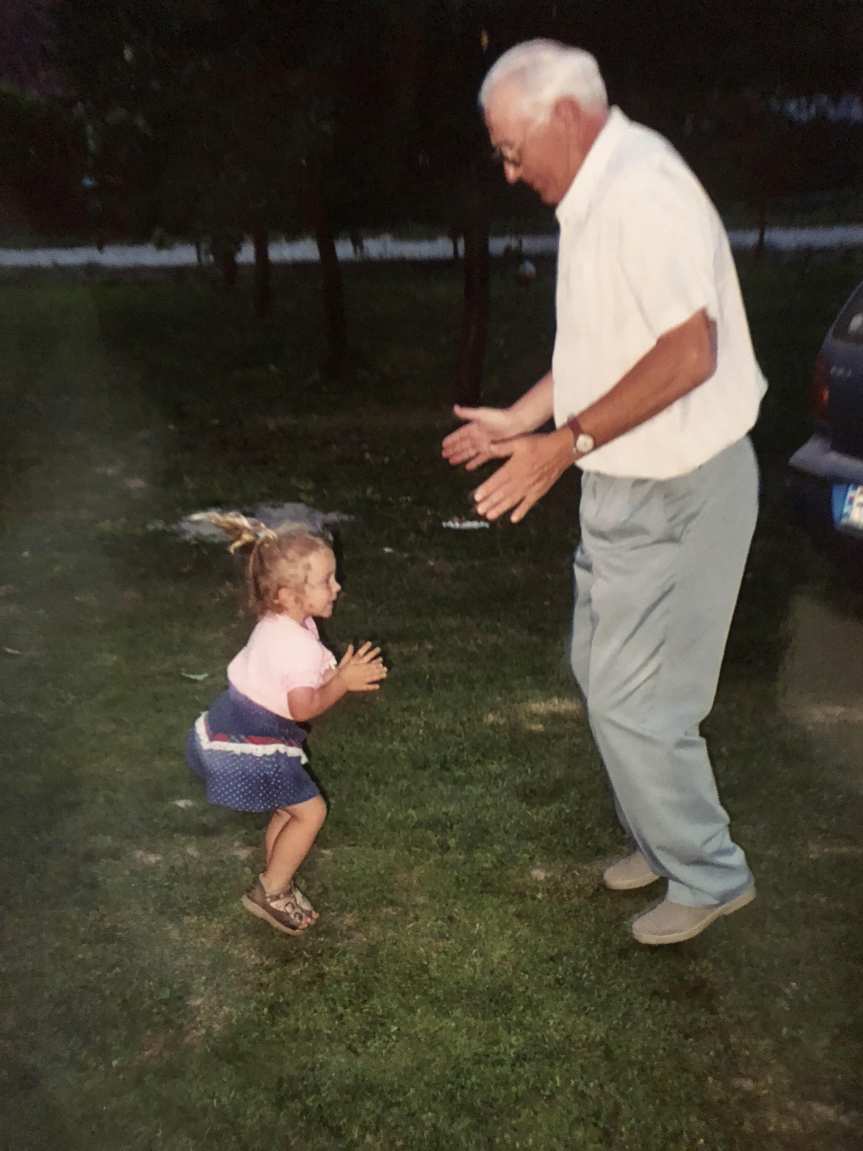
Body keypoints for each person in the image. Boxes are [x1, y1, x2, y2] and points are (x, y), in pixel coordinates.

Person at [442, 40, 766, 945]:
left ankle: (709, 875)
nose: (507, 172)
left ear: (567, 118)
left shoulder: (640, 195)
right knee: (603, 679)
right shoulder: (593, 195)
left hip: (683, 488)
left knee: (643, 702)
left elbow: (685, 353)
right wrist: (523, 416)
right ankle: (663, 843)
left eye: (511, 148)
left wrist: (563, 445)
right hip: (625, 483)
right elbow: (604, 347)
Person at [186, 513, 387, 937]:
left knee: (288, 807)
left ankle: (277, 877)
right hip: (254, 745)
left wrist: (337, 675)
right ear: (287, 594)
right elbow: (303, 707)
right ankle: (272, 890)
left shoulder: (280, 624)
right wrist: (342, 683)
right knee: (311, 812)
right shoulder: (294, 646)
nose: (338, 587)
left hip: (237, 730)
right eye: (326, 581)